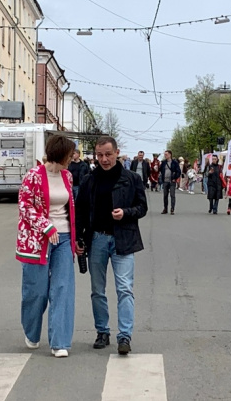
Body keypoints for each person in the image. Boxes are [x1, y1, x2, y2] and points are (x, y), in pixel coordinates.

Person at [75, 136, 148, 355]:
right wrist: (79, 238)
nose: (104, 159)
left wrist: (125, 213)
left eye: (108, 154)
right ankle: (102, 331)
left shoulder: (132, 178)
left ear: (117, 152)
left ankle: (124, 335)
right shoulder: (89, 180)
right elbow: (79, 212)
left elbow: (141, 208)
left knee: (124, 288)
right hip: (97, 239)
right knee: (97, 290)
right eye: (99, 155)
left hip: (123, 239)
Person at [17, 135, 78, 358]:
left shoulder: (67, 176)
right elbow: (25, 205)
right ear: (61, 155)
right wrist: (45, 226)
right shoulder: (33, 176)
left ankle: (59, 341)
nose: (73, 158)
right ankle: (32, 332)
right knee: (36, 291)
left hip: (63, 238)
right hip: (37, 240)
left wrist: (74, 236)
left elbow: (68, 207)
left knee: (62, 288)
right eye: (70, 155)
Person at [159, 150, 181, 215]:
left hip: (172, 181)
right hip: (165, 181)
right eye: (165, 154)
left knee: (172, 195)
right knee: (165, 195)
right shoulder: (163, 163)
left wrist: (175, 178)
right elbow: (160, 170)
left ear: (170, 155)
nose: (165, 156)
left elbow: (178, 171)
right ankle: (165, 208)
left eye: (166, 154)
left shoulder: (174, 163)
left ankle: (172, 209)